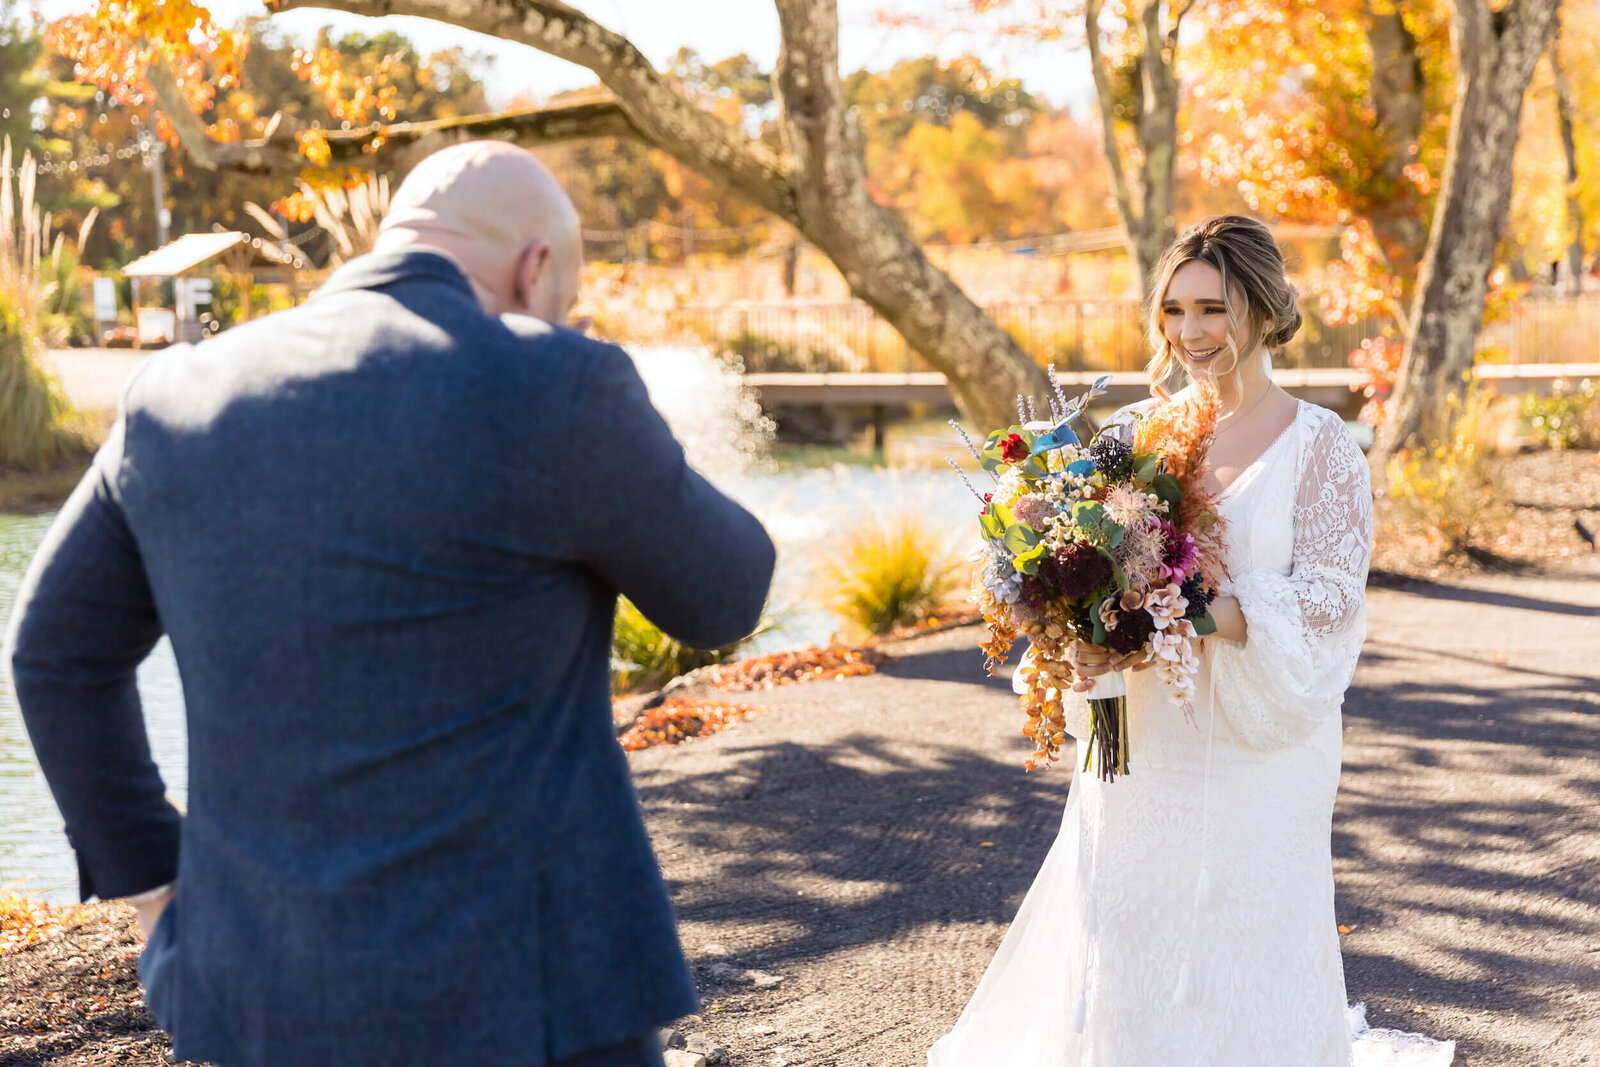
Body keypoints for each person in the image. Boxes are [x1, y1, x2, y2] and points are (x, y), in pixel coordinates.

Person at [6, 141, 776, 1067]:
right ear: (537, 271)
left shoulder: (173, 393)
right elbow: (725, 596)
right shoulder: (553, 380)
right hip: (538, 1002)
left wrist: (158, 887)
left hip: (262, 992)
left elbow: (55, 656)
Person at [929, 216, 1454, 1065]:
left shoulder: (1322, 446)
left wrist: (1192, 605)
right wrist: (1079, 630)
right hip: (1147, 735)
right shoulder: (1134, 434)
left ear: (1265, 307)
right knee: (1134, 915)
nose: (1191, 332)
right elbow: (1079, 566)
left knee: (1249, 918)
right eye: (1174, 311)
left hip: (1261, 739)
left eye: (1213, 307)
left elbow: (1328, 600)